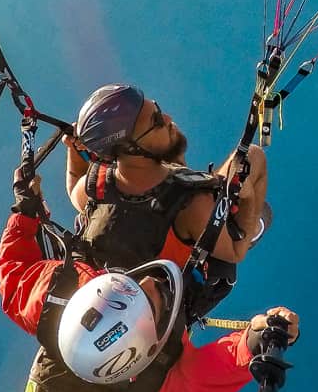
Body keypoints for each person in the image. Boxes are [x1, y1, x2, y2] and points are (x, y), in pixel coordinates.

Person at [0, 168, 298, 392]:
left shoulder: (53, 297)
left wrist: (25, 210)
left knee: (112, 225)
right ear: (150, 343)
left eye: (135, 288)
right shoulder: (153, 373)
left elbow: (13, 271)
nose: (152, 283)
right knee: (207, 276)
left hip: (110, 255)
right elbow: (211, 372)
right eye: (154, 304)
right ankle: (216, 223)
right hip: (181, 275)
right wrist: (256, 340)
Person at [63, 84, 271, 316]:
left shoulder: (95, 187)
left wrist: (73, 151)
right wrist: (249, 198)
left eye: (158, 110)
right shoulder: (194, 206)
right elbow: (235, 252)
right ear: (131, 148)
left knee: (178, 177)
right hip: (160, 309)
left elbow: (74, 187)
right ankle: (239, 218)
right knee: (253, 156)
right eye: (157, 121)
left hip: (106, 301)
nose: (168, 118)